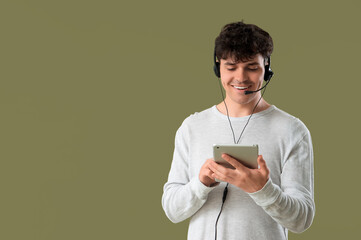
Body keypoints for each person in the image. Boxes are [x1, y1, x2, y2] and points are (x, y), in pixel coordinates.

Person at [161, 21, 315, 240]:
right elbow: (172, 211)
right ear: (218, 68)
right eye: (231, 67)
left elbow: (302, 219)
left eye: (252, 67)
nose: (241, 78)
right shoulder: (192, 127)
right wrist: (201, 184)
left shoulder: (292, 130)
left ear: (267, 67)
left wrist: (262, 189)